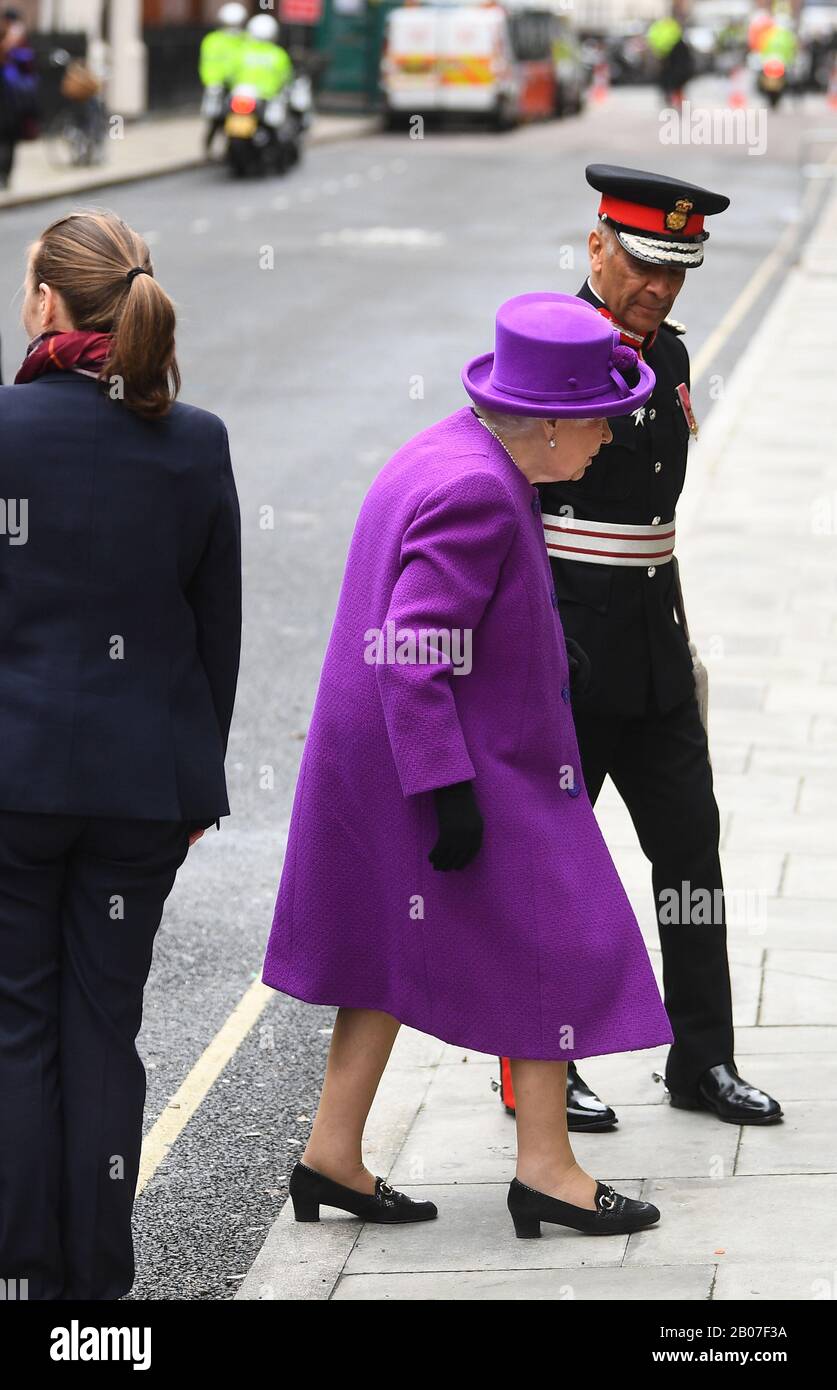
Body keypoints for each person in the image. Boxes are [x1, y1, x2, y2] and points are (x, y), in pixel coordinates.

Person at [262, 293, 675, 1239]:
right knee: (556, 939)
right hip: (440, 758)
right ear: (554, 422)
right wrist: (449, 795)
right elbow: (414, 652)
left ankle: (331, 1154)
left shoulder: (455, 447)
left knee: (383, 950)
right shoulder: (482, 491)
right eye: (603, 422)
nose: (609, 440)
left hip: (390, 754)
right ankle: (548, 1172)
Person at [499, 167, 783, 1129]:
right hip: (563, 647)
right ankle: (538, 1068)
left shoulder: (670, 359)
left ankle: (700, 1060)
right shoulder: (549, 352)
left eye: (675, 270)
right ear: (595, 248)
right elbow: (506, 507)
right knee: (553, 867)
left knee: (690, 857)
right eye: (640, 264)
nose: (656, 288)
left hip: (655, 647)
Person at [0, 210, 242, 1300]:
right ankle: (97, 1296)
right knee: (107, 1030)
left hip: (16, 780)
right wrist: (193, 783)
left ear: (49, 302)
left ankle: (24, 1281)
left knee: (18, 1027)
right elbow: (216, 631)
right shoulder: (195, 442)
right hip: (143, 789)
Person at [199, 2, 249, 155]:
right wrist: (212, 82)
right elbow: (208, 64)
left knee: (237, 119)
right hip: (218, 87)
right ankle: (208, 148)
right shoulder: (213, 40)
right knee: (215, 119)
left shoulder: (246, 40)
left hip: (239, 88)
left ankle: (233, 149)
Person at [0, 6, 38, 190]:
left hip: (14, 101)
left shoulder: (22, 43)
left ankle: (6, 175)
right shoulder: (8, 40)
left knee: (11, 139)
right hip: (6, 98)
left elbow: (29, 66)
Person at [237, 13, 293, 101]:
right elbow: (285, 77)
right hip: (266, 97)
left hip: (240, 94)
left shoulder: (241, 49)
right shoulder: (279, 54)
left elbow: (230, 72)